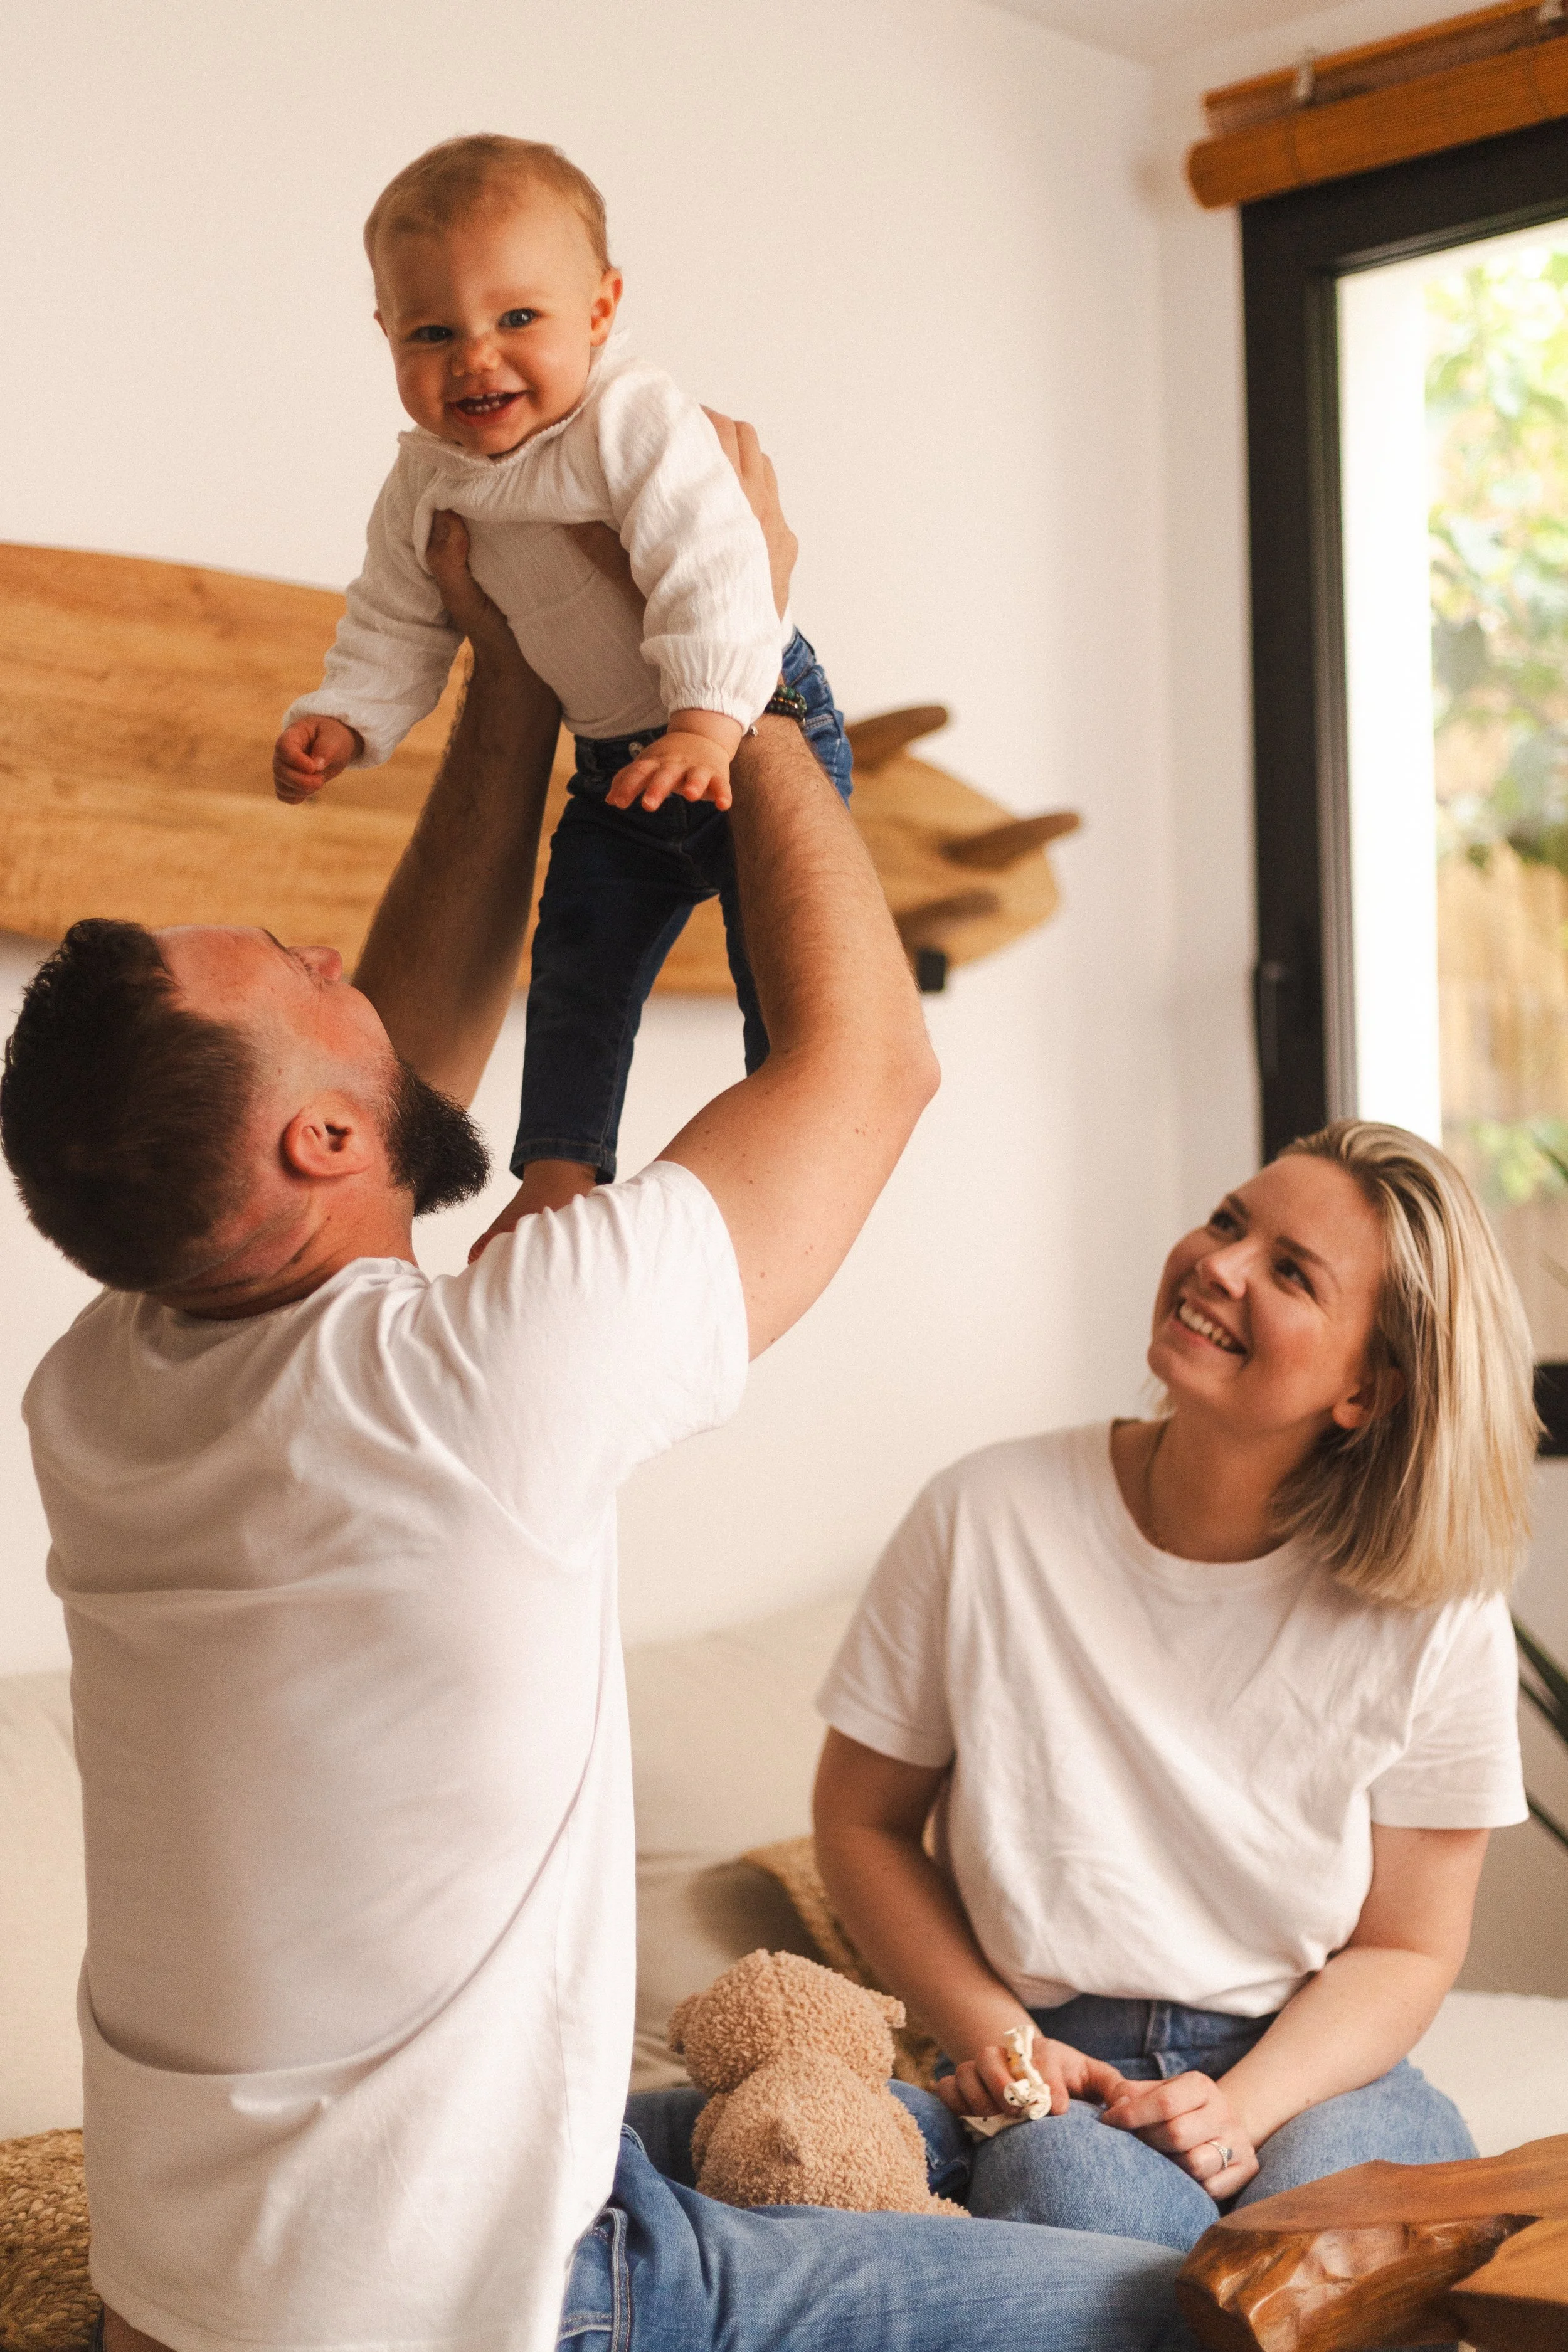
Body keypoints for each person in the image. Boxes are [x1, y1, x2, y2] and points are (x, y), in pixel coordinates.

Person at [2, 436, 1199, 2352]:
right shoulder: (471, 1380)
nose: (336, 954)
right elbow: (869, 1068)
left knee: (886, 2124)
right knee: (1183, 2309)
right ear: (320, 1134)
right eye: (300, 973)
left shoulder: (107, 1386)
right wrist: (761, 645)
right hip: (489, 2298)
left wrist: (506, 666)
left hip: (202, 2283)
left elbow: (396, 1033)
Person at [813, 1123, 1537, 2251]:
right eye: (1229, 1220)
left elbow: (1408, 1945)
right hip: (1055, 2058)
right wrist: (1000, 2044)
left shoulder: (1437, 1611)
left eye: (1291, 1271)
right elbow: (859, 1820)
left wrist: (1243, 2108)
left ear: (1368, 1391)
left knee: (1344, 2244)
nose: (1218, 1263)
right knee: (1084, 2214)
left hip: (1312, 2066)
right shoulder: (984, 1515)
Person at [272, 133, 852, 1248]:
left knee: (778, 970)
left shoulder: (633, 421)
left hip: (732, 718)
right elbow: (400, 612)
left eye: (518, 320)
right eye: (433, 332)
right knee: (577, 961)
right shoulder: (426, 478)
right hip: (613, 760)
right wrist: (349, 715)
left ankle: (792, 1150)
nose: (476, 359)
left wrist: (707, 722)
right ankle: (556, 1171)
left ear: (601, 307)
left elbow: (718, 566)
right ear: (387, 336)